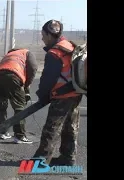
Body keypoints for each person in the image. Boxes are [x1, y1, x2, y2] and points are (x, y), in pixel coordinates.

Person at [32, 20, 83, 166]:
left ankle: (40, 162)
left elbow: (48, 79)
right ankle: (68, 158)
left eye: (43, 35)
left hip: (62, 96)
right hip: (75, 93)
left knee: (51, 129)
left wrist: (42, 95)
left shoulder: (54, 53)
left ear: (49, 34)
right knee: (70, 127)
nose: (42, 38)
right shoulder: (70, 45)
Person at [0, 48, 38, 143]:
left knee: (2, 105)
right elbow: (33, 68)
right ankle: (20, 136)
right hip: (13, 75)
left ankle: (2, 132)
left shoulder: (9, 54)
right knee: (19, 107)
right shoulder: (27, 52)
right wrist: (27, 85)